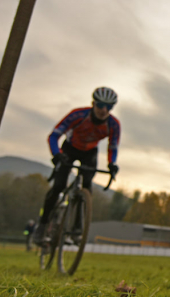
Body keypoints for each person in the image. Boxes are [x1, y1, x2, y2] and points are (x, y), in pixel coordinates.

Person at [37, 87, 121, 240]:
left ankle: (77, 229)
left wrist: (112, 164)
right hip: (69, 149)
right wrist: (56, 155)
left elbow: (113, 146)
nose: (104, 110)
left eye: (109, 107)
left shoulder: (113, 124)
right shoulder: (78, 115)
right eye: (101, 105)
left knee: (87, 187)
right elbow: (54, 136)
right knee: (58, 186)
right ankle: (42, 225)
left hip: (90, 153)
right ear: (93, 103)